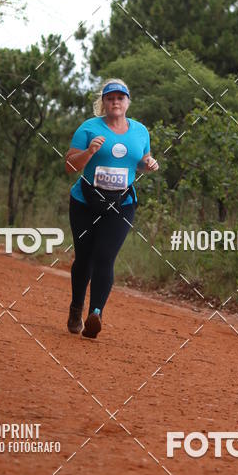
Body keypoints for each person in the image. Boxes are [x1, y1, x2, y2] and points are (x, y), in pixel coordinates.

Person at [64, 78, 158, 339]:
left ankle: (95, 314)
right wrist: (89, 153)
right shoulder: (88, 128)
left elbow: (139, 162)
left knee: (104, 257)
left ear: (128, 102)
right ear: (103, 102)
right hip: (85, 202)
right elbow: (70, 166)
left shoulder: (140, 131)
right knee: (84, 259)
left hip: (121, 203)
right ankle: (75, 308)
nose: (115, 102)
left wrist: (148, 164)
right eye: (110, 98)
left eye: (120, 97)